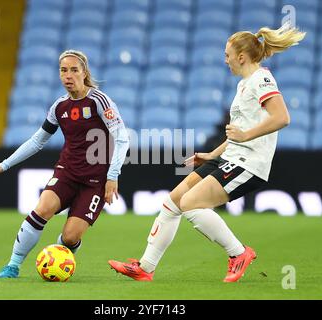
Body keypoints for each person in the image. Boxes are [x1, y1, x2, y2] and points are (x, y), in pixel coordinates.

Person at [108, 23, 305, 283]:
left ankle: (239, 253)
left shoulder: (262, 79)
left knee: (191, 203)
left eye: (227, 54)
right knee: (174, 201)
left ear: (241, 57)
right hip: (230, 157)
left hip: (249, 162)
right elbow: (238, 132)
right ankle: (146, 267)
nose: (225, 60)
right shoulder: (245, 84)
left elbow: (282, 117)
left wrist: (245, 137)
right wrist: (212, 154)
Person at [0, 49, 129, 278]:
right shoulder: (59, 107)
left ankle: (62, 253)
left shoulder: (99, 101)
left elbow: (122, 138)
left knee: (70, 237)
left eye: (73, 70)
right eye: (63, 70)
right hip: (67, 173)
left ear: (84, 72)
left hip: (95, 181)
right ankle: (12, 266)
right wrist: (4, 165)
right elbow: (38, 141)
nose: (68, 75)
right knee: (42, 209)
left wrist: (112, 176)